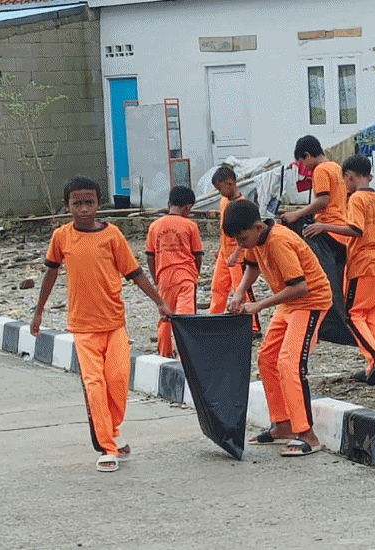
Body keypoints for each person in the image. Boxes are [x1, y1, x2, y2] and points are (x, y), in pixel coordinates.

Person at [31, 176, 173, 473]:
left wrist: (159, 301)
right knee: (94, 386)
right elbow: (50, 273)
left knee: (119, 380)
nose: (83, 209)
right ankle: (107, 447)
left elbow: (134, 273)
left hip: (114, 323)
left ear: (99, 204)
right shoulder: (61, 237)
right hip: (82, 327)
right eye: (77, 203)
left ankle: (113, 430)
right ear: (67, 206)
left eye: (89, 202)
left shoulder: (113, 235)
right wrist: (39, 311)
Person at [225, 200, 332, 457]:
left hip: (310, 302)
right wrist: (240, 292)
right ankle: (282, 424)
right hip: (290, 306)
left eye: (242, 238)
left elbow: (300, 287)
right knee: (267, 359)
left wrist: (259, 305)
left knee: (289, 363)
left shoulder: (279, 241)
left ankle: (307, 434)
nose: (241, 245)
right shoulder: (257, 241)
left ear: (258, 227)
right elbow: (252, 265)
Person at [304, 155, 375, 385]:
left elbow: (355, 230)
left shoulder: (356, 200)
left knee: (353, 316)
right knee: (374, 316)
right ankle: (372, 366)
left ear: (349, 177)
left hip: (363, 265)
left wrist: (323, 226)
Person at [146, 185, 203, 358]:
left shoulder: (155, 226)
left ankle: (164, 353)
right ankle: (184, 357)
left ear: (169, 203)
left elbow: (150, 255)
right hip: (185, 277)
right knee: (185, 318)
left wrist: (156, 277)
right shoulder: (190, 226)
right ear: (188, 207)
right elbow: (197, 254)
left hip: (163, 276)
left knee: (165, 316)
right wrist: (195, 275)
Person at [207, 166, 261, 335]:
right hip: (224, 254)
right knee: (218, 287)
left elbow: (245, 233)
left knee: (242, 288)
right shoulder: (224, 202)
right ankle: (213, 320)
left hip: (238, 255)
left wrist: (237, 253)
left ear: (230, 183)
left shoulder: (242, 205)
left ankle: (253, 327)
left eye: (220, 188)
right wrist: (220, 249)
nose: (220, 192)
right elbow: (224, 229)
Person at [281, 135, 349, 244]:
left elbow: (323, 201)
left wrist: (296, 214)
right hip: (342, 229)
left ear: (307, 156)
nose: (303, 167)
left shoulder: (320, 169)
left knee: (291, 224)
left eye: (302, 162)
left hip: (327, 229)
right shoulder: (336, 167)